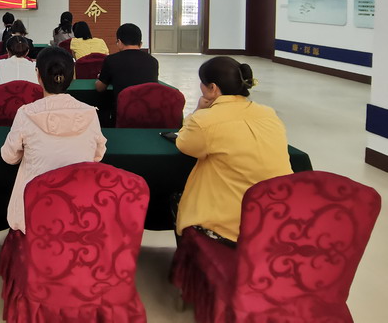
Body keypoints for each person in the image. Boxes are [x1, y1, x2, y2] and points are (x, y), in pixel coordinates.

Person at [175, 56, 292, 244]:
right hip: (277, 216)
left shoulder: (204, 120)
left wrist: (198, 111)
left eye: (202, 83)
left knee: (177, 198)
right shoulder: (269, 113)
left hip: (231, 226)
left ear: (212, 88)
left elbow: (184, 143)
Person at [1, 47, 106, 233]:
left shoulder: (26, 113)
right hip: (80, 211)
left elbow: (9, 157)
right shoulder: (90, 113)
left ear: (37, 75)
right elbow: (97, 156)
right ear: (73, 76)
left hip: (34, 211)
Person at [95, 23, 159, 122]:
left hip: (123, 115)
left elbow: (100, 88)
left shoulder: (111, 60)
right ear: (140, 44)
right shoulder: (153, 61)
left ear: (119, 42)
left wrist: (101, 78)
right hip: (150, 115)